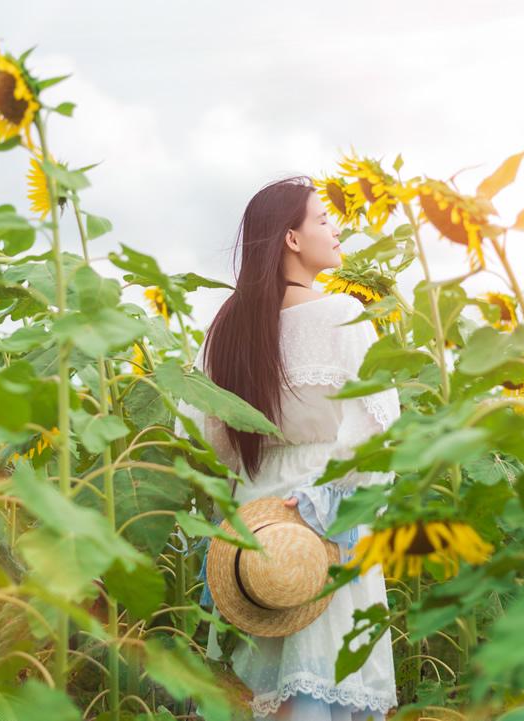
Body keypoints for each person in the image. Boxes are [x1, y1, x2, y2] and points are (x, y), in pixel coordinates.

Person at [173, 176, 401, 720]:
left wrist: (254, 485)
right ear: (292, 239)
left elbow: (205, 436)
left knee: (270, 682)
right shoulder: (342, 314)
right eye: (322, 219)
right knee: (327, 670)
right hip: (325, 505)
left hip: (257, 516)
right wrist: (327, 494)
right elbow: (376, 430)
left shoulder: (228, 327)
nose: (336, 229)